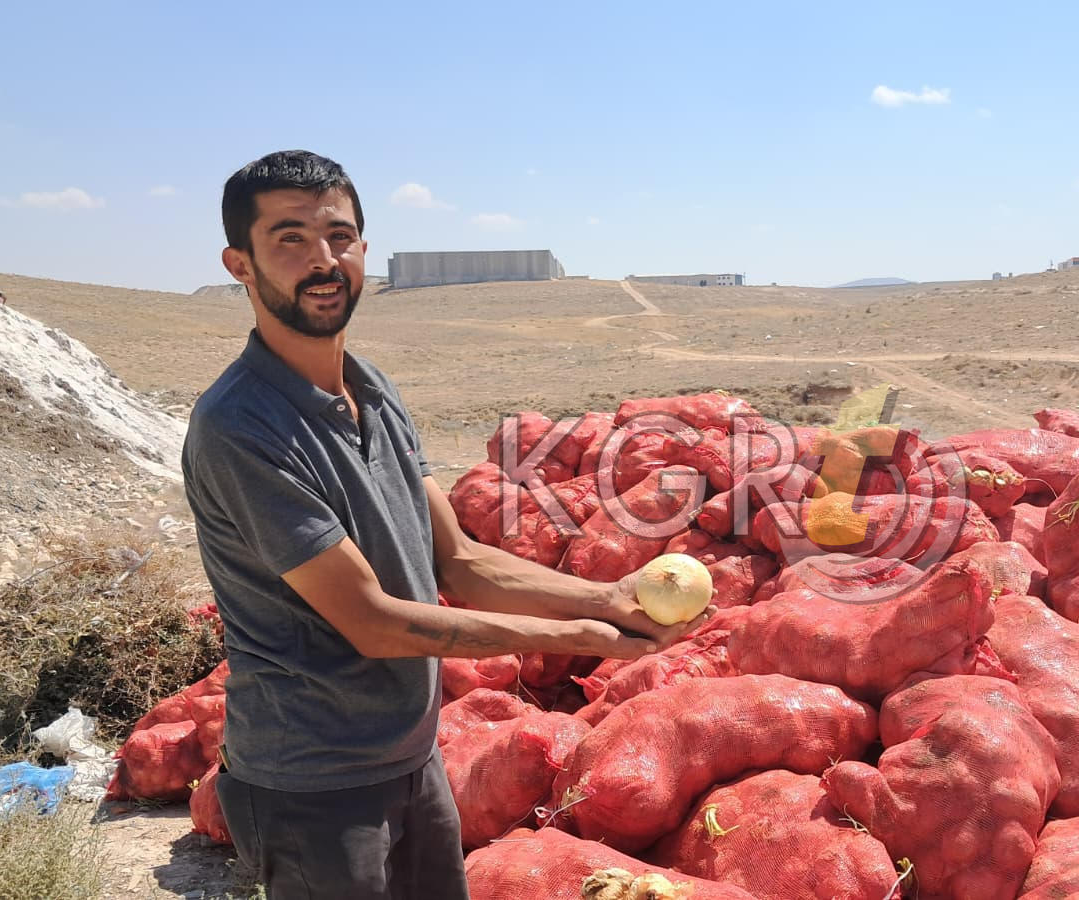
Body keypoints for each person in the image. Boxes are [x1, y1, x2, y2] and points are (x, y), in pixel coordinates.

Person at [181, 150, 712, 900]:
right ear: (240, 263)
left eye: (340, 235)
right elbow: (373, 623)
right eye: (289, 239)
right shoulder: (242, 427)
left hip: (409, 756)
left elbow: (459, 560)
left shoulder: (375, 392)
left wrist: (608, 598)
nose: (323, 260)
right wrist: (586, 641)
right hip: (315, 783)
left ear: (365, 248)